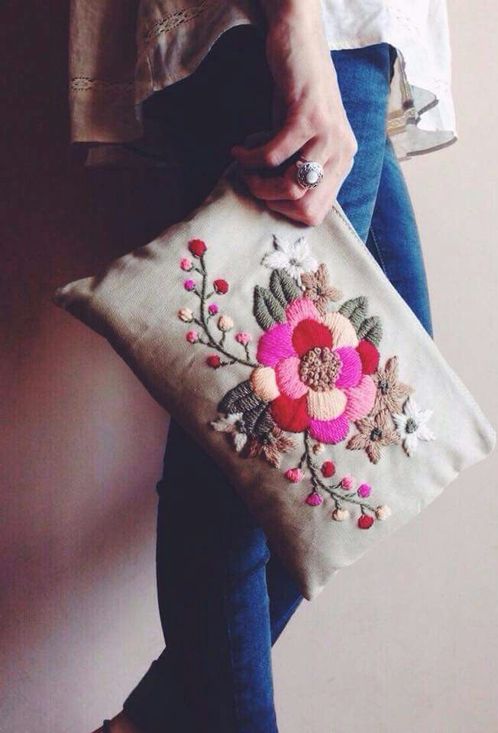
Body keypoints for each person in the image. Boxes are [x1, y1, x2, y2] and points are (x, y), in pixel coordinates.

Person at [69, 1, 455, 731]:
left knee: (380, 405)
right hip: (298, 26)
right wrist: (295, 30)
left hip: (339, 34)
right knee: (256, 435)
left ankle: (147, 723)